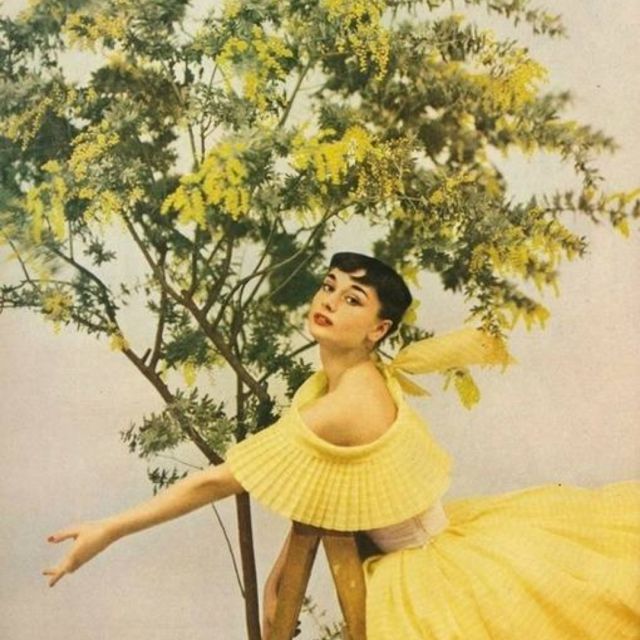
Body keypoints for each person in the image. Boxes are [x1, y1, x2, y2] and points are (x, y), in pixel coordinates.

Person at [44, 252, 640, 639]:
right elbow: (326, 488)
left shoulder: (347, 403)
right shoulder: (350, 380)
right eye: (329, 287)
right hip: (440, 544)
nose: (328, 302)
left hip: (431, 574)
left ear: (379, 329)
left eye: (352, 299)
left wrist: (108, 529)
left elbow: (215, 481)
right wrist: (282, 575)